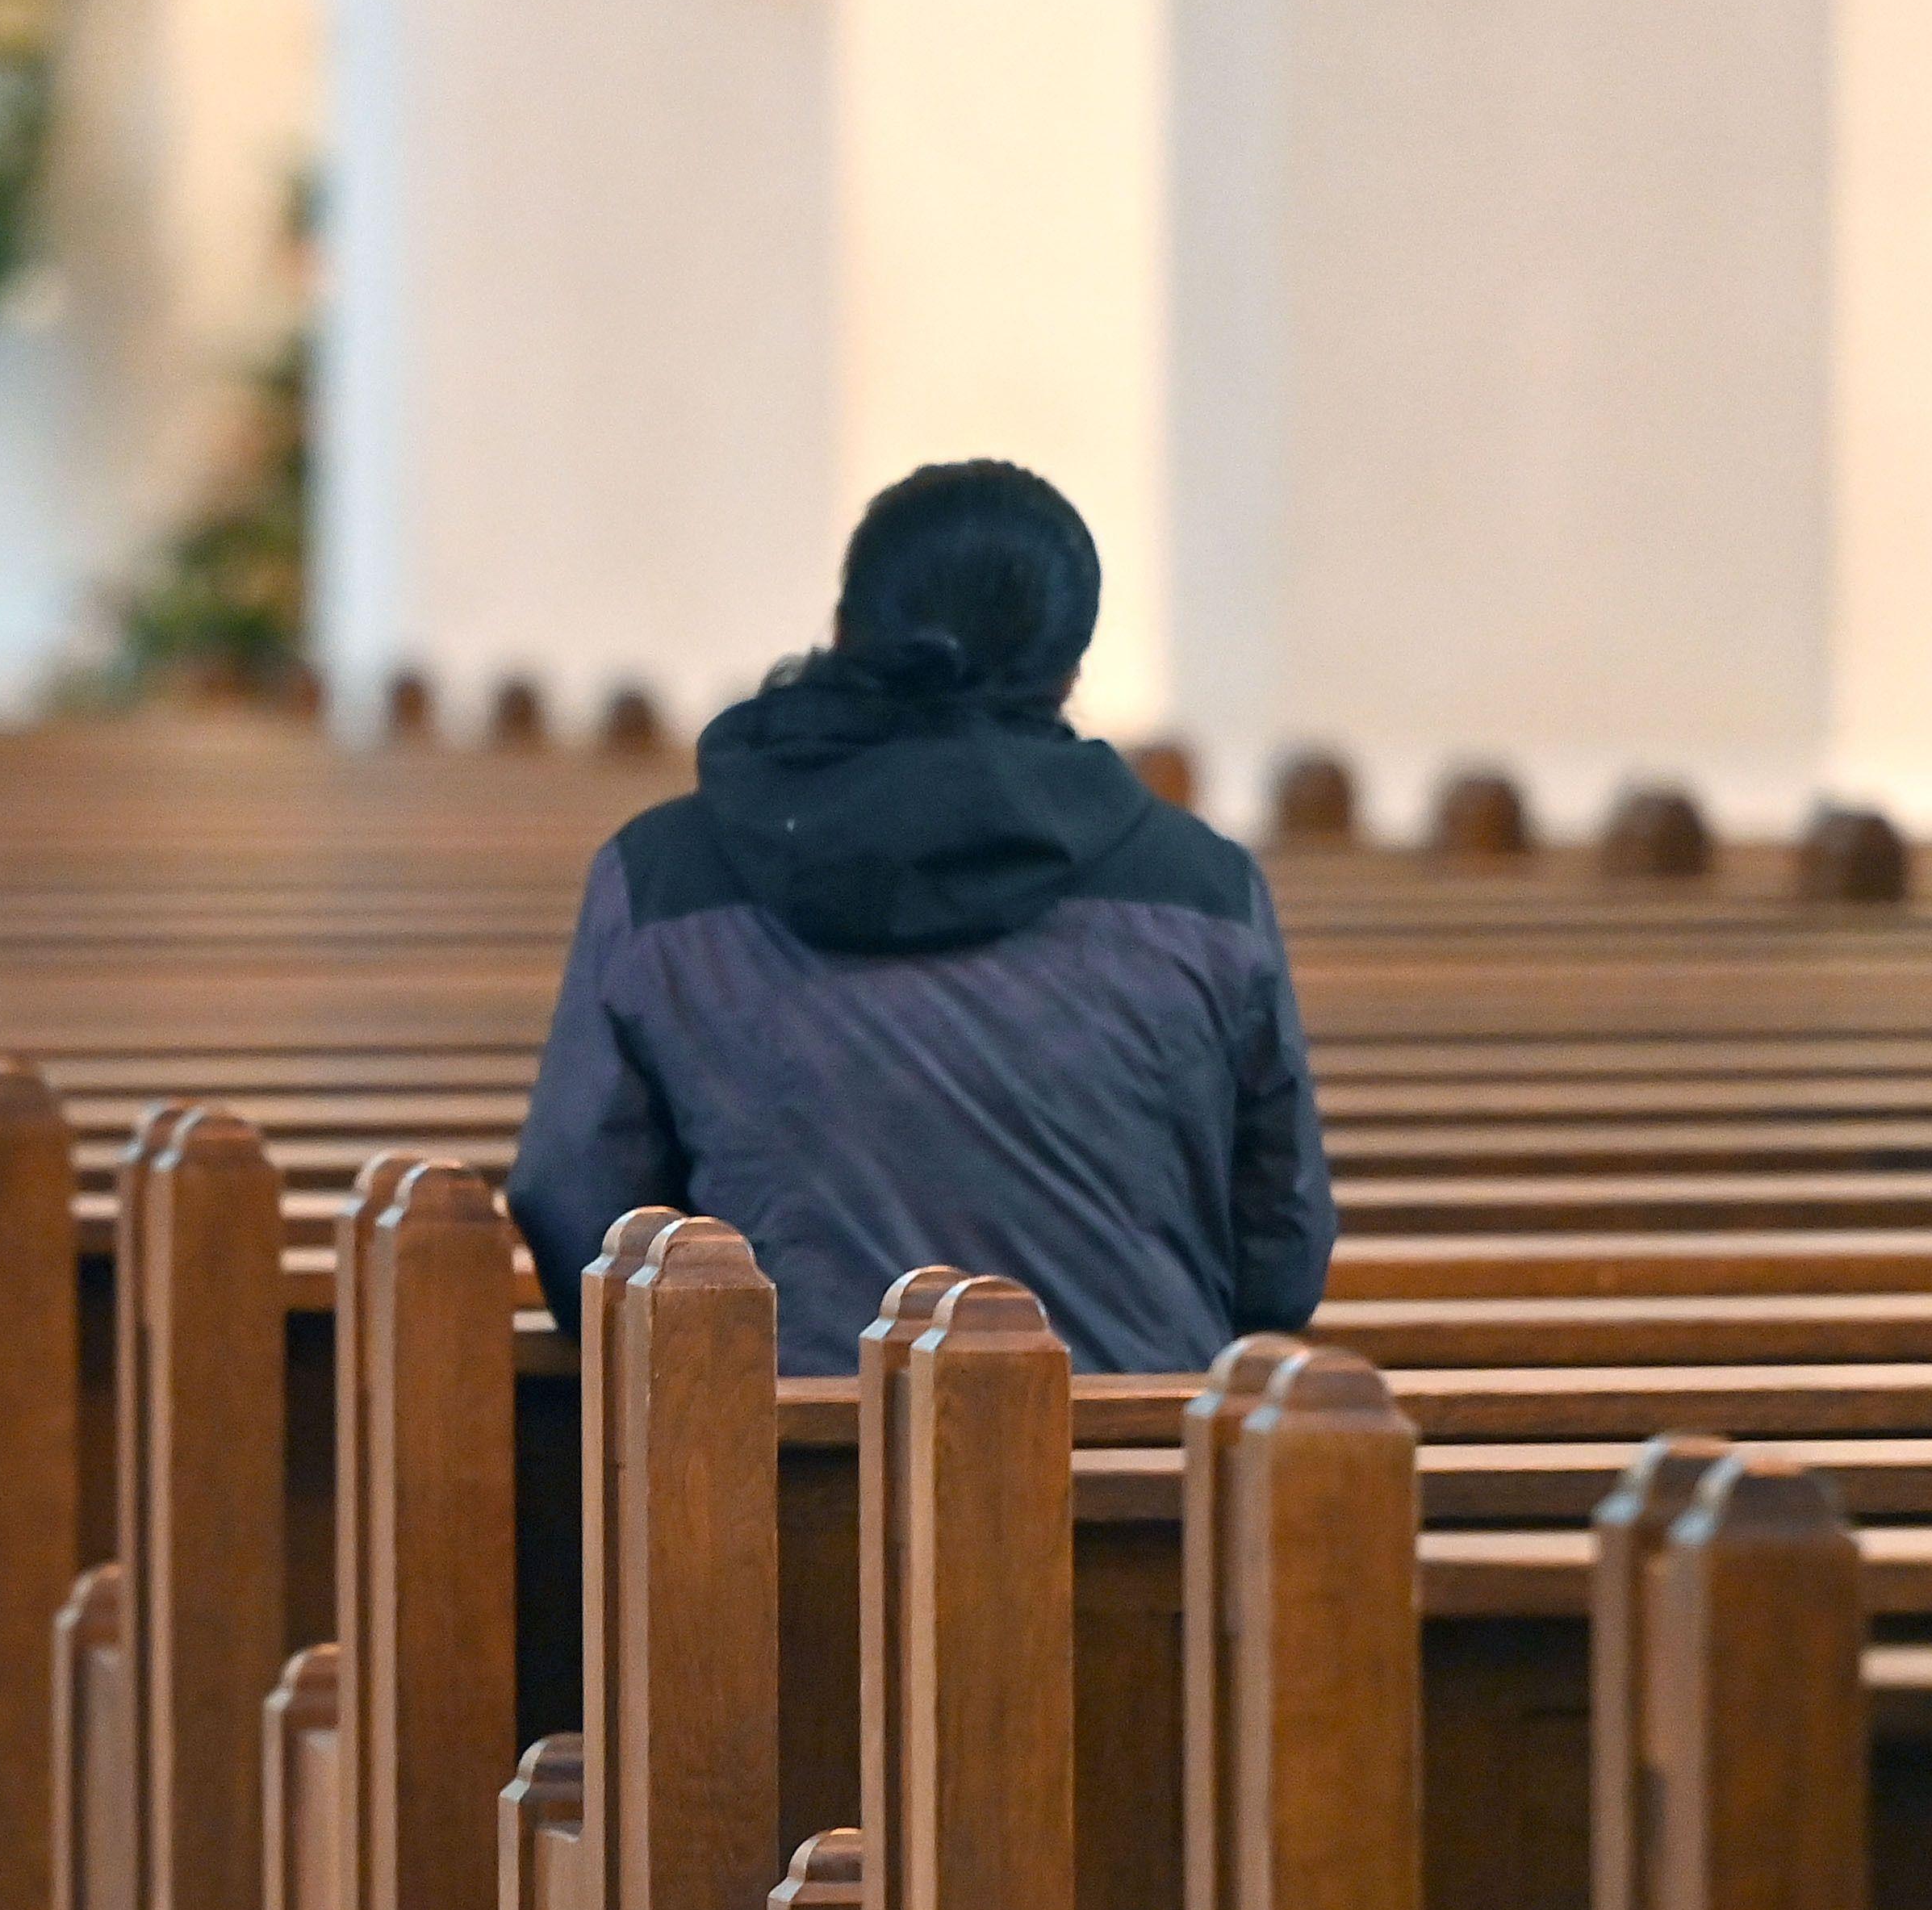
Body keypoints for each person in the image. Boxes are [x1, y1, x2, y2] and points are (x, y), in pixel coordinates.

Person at [503, 462, 1336, 1378]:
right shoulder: (1204, 889)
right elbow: (1279, 1257)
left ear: (845, 631)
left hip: (774, 1489)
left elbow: (582, 1220)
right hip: (1145, 1469)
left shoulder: (663, 877)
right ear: (1069, 667)